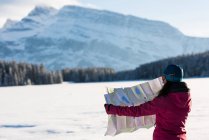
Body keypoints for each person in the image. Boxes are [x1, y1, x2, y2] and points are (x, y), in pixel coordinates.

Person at [104, 64, 192, 140]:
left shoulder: (164, 100)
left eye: (164, 77)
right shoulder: (187, 98)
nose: (162, 80)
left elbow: (137, 111)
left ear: (169, 78)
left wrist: (112, 109)